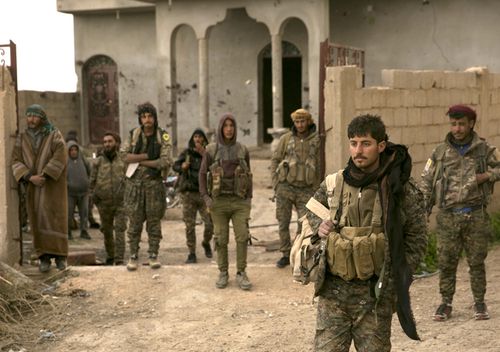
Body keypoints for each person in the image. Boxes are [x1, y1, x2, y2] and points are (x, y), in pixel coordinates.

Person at [306, 114, 427, 351]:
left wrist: (395, 279)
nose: (358, 150)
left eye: (366, 143)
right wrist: (320, 227)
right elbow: (313, 209)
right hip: (334, 293)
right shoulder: (335, 183)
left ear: (381, 146)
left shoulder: (400, 189)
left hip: (375, 296)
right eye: (353, 143)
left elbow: (417, 239)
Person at [420, 104, 500, 321]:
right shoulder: (440, 152)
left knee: (476, 261)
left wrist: (486, 176)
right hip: (447, 216)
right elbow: (427, 181)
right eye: (453, 124)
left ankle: (480, 302)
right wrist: (423, 210)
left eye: (461, 124)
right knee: (446, 262)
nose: (457, 129)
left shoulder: (483, 149)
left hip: (475, 215)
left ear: (471, 124)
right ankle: (445, 303)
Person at [11, 104, 69, 272]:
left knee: (56, 219)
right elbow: (15, 160)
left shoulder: (54, 134)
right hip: (33, 188)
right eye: (29, 116)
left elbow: (60, 154)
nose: (31, 119)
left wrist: (44, 175)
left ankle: (60, 257)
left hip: (52, 186)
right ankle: (43, 257)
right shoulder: (22, 138)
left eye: (35, 116)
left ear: (42, 118)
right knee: (37, 220)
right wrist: (30, 177)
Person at [199, 113, 253, 290]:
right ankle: (223, 272)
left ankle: (241, 272)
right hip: (218, 202)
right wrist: (206, 198)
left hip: (239, 202)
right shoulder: (211, 150)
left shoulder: (242, 150)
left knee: (243, 236)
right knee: (221, 239)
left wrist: (248, 200)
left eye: (232, 126)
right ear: (221, 128)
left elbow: (248, 176)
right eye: (226, 126)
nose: (229, 129)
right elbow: (201, 174)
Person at [121, 102, 172, 271]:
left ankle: (153, 255)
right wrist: (145, 157)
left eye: (150, 116)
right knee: (134, 223)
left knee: (154, 222)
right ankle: (133, 255)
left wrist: (139, 161)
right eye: (144, 116)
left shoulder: (162, 136)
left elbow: (164, 161)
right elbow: (123, 156)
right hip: (134, 186)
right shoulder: (133, 135)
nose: (147, 119)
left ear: (155, 117)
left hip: (153, 186)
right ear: (140, 119)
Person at [270, 108, 320, 268]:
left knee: (304, 224)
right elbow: (275, 160)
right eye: (297, 122)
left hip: (306, 189)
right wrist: (275, 183)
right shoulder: (286, 139)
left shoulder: (317, 140)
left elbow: (320, 164)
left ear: (308, 121)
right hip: (285, 187)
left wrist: (317, 189)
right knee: (283, 222)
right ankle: (285, 253)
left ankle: (298, 252)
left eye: (302, 121)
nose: (299, 125)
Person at [173, 128, 213, 264]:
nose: (197, 139)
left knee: (209, 224)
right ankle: (192, 253)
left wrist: (205, 155)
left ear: (203, 139)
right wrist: (182, 166)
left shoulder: (208, 153)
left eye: (200, 137)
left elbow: (215, 168)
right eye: (195, 136)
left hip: (204, 195)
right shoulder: (187, 153)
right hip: (188, 194)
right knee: (190, 226)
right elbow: (175, 165)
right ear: (192, 139)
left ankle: (206, 243)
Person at [90, 132, 128, 265]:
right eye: (105, 142)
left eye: (110, 141)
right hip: (103, 203)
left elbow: (129, 178)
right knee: (107, 231)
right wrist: (94, 198)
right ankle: (110, 255)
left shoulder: (123, 160)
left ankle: (119, 258)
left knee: (120, 230)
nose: (107, 144)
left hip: (121, 203)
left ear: (116, 143)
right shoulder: (98, 161)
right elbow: (92, 181)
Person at [65, 130, 100, 230]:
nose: (74, 151)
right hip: (71, 191)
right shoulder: (66, 157)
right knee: (75, 211)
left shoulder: (79, 154)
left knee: (83, 210)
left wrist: (88, 183)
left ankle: (83, 228)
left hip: (83, 190)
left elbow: (88, 168)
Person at [67, 140, 92, 240]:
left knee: (84, 212)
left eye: (75, 150)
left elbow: (89, 171)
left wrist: (87, 183)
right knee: (69, 213)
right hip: (70, 193)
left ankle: (84, 231)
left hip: (84, 192)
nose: (73, 152)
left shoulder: (83, 160)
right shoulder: (65, 162)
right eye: (71, 150)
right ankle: (68, 232)